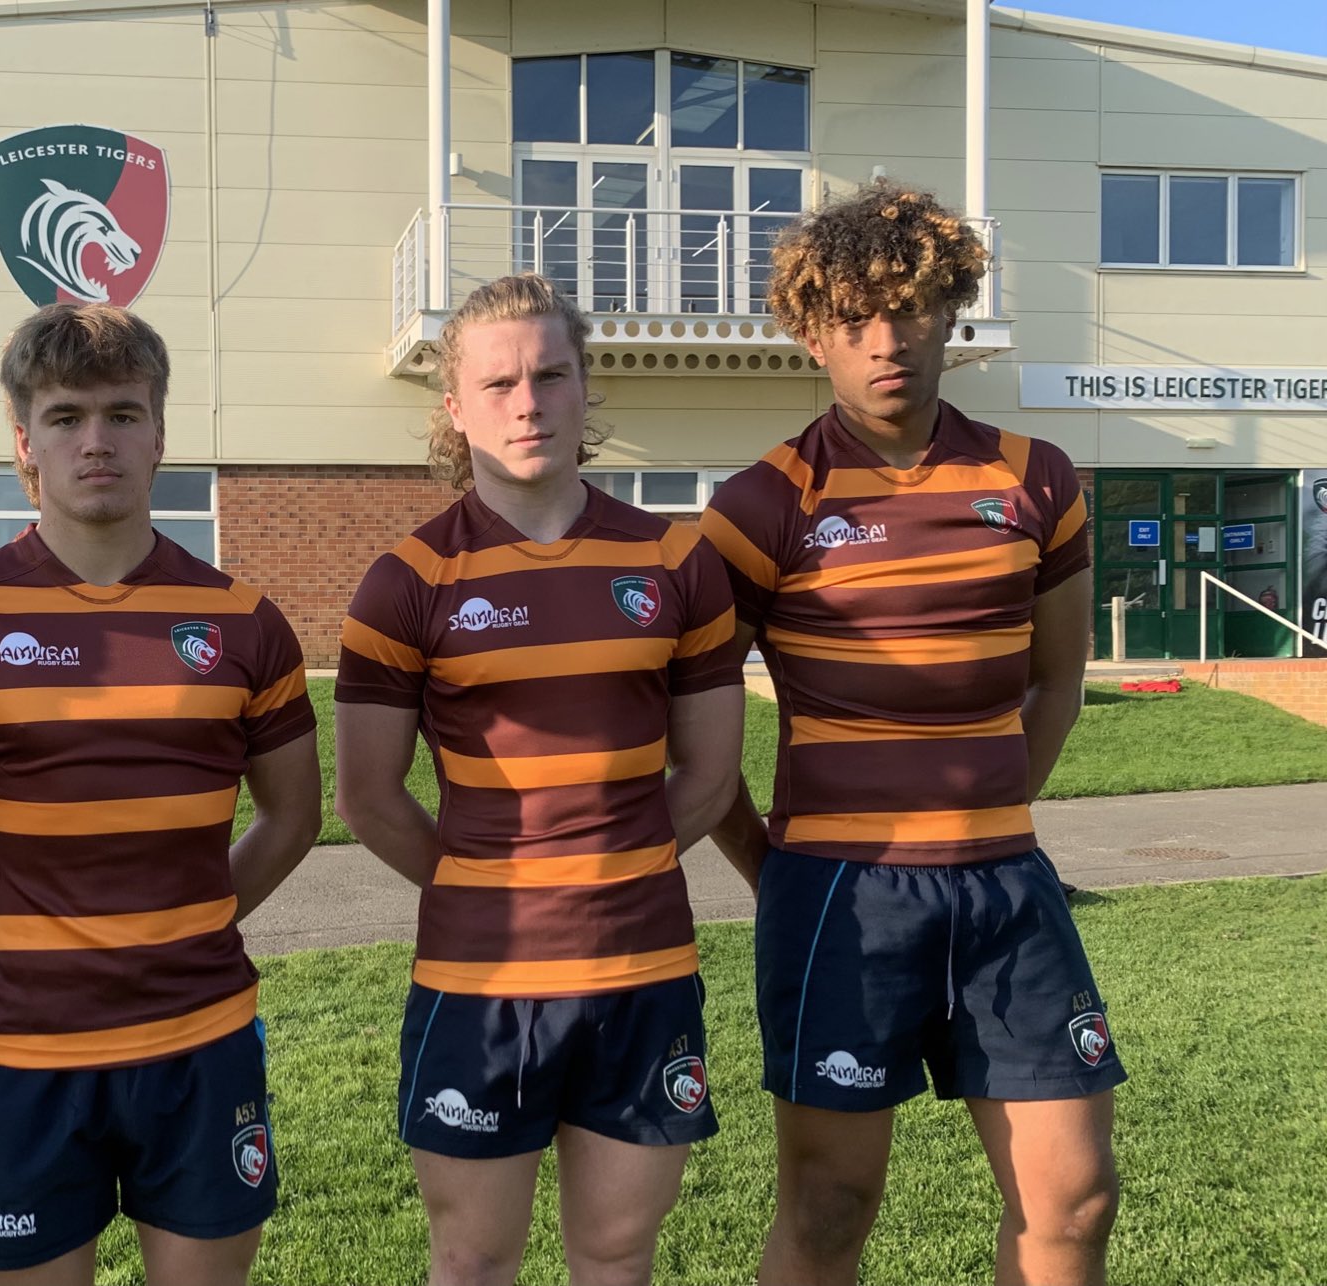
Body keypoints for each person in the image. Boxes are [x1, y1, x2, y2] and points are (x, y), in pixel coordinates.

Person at [699, 180, 1124, 1286]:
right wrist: (772, 867)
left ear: (950, 311)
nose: (885, 341)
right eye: (853, 320)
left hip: (1006, 888)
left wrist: (989, 815)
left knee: (1075, 1197)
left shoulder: (1035, 478)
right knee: (829, 1208)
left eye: (908, 308)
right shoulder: (760, 504)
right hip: (838, 894)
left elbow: (1057, 682)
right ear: (813, 338)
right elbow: (687, 725)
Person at [0, 302, 321, 1286]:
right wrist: (27, 925)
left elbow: (295, 816)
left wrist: (192, 918)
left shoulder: (244, 621)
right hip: (26, 1045)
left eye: (122, 413)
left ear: (159, 433)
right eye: (66, 415)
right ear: (23, 440)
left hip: (202, 1037)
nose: (96, 441)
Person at [334, 273, 746, 1286]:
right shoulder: (406, 580)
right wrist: (486, 887)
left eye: (550, 375)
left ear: (583, 385)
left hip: (641, 970)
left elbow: (708, 772)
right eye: (499, 382)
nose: (527, 403)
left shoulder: (675, 559)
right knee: (474, 1259)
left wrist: (612, 873)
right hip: (479, 980)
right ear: (455, 407)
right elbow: (369, 796)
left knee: (616, 1252)